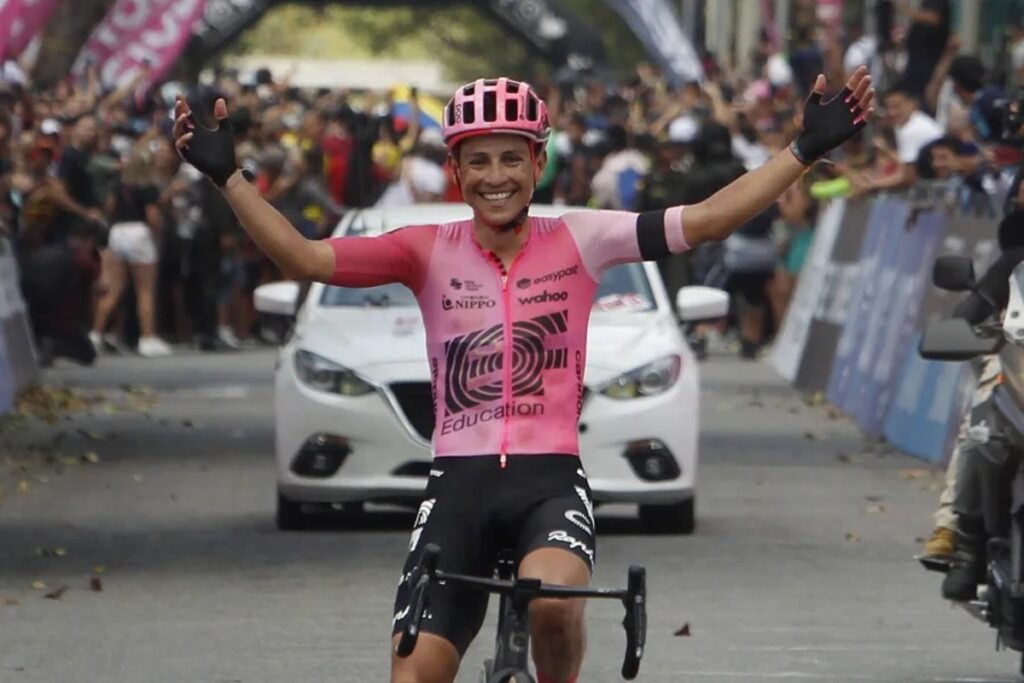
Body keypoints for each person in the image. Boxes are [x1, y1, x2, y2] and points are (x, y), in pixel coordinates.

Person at [174, 69, 875, 683]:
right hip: (459, 486)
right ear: (456, 170)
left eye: (512, 158)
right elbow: (303, 258)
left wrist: (802, 151)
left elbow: (710, 220)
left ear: (538, 162)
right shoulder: (424, 249)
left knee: (552, 603)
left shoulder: (583, 238)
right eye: (477, 161)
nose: (496, 176)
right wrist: (228, 178)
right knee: (411, 672)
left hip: (549, 482)